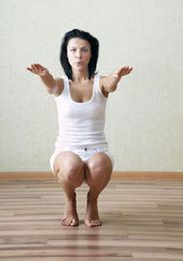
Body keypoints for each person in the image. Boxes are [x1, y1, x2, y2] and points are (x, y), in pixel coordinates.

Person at [27, 29, 132, 227]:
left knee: (100, 165)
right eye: (73, 50)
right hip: (66, 150)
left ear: (91, 54)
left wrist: (117, 77)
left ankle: (92, 201)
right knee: (71, 166)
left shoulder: (100, 82)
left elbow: (110, 85)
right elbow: (51, 87)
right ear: (66, 54)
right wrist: (44, 75)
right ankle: (70, 200)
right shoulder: (61, 83)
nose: (78, 55)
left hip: (97, 149)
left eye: (84, 50)